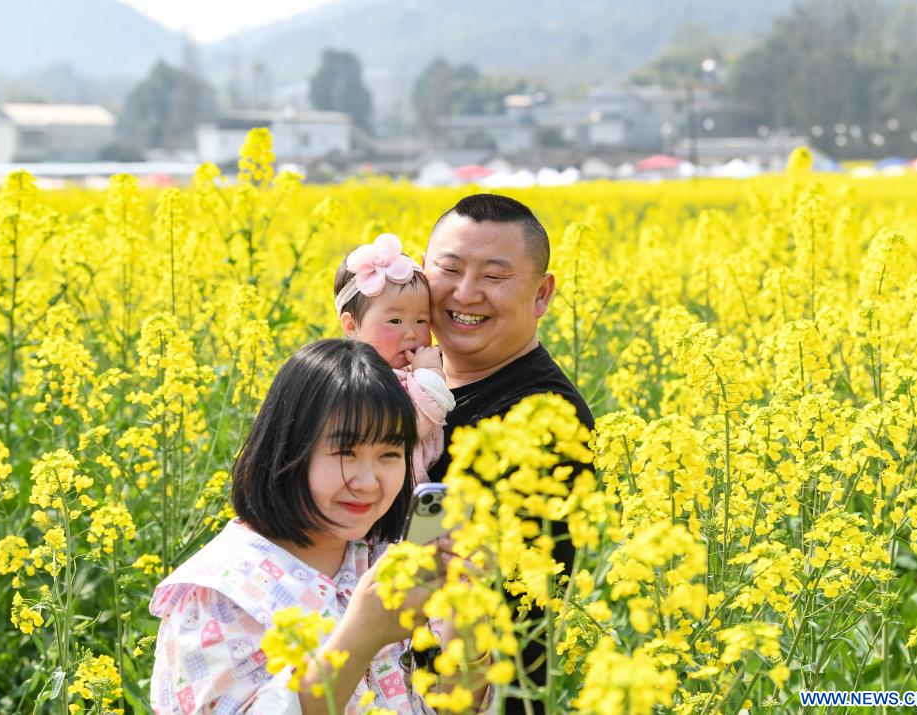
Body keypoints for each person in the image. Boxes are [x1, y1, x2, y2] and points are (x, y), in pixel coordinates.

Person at [149, 340, 441, 714]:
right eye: (345, 453)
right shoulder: (220, 593)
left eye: (389, 454)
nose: (369, 482)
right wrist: (362, 635)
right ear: (288, 450)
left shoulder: (381, 556)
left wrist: (467, 628)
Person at [423, 193, 594, 715]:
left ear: (541, 295)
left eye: (495, 277)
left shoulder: (543, 419)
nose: (466, 293)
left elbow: (459, 587)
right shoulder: (411, 385)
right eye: (448, 269)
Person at [334, 232, 455, 489]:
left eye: (422, 321)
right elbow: (409, 424)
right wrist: (430, 376)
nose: (411, 333)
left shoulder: (404, 372)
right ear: (351, 325)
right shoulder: (355, 379)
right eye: (395, 321)